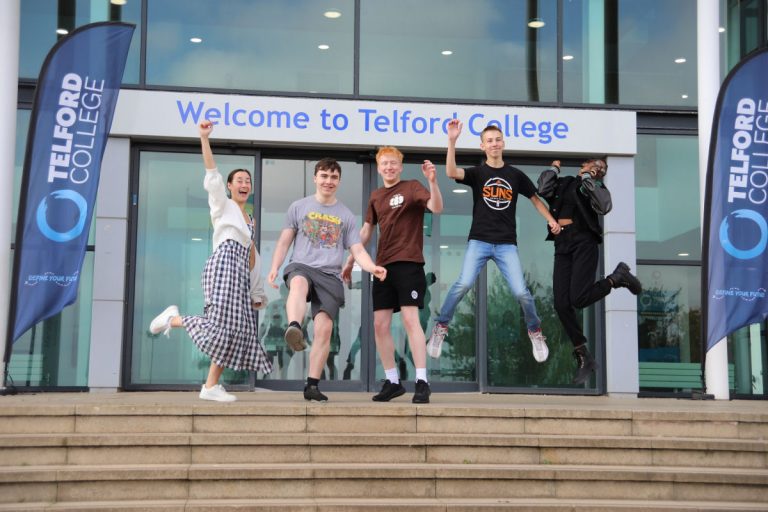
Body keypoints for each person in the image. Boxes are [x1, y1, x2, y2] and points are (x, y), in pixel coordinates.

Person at [148, 120, 272, 402]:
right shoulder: (223, 204)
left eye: (248, 181)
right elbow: (211, 174)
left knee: (237, 329)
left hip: (238, 270)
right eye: (239, 180)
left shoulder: (249, 220)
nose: (244, 184)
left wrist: (256, 291)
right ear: (229, 186)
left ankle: (210, 386)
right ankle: (173, 318)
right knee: (220, 327)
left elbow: (252, 257)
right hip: (223, 265)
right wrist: (204, 138)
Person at [427, 119, 561, 362]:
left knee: (521, 292)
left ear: (503, 143)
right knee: (463, 284)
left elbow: (535, 199)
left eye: (497, 139)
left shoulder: (515, 175)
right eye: (489, 141)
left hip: (506, 244)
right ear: (482, 146)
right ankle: (440, 328)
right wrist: (451, 140)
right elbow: (450, 172)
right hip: (479, 240)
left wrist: (551, 220)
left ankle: (535, 330)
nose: (494, 144)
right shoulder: (478, 173)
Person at [267, 158, 387, 402]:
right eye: (324, 176)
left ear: (339, 181)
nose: (328, 181)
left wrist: (372, 267)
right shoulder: (298, 207)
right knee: (298, 284)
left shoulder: (346, 216)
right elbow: (284, 241)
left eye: (333, 177)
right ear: (315, 178)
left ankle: (312, 384)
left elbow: (358, 250)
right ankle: (295, 326)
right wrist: (275, 267)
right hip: (302, 265)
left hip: (330, 275)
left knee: (324, 329)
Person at [343, 147, 443, 403]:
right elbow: (366, 232)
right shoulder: (376, 197)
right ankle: (393, 382)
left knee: (411, 320)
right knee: (379, 325)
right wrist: (351, 260)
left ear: (400, 166)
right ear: (378, 167)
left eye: (393, 163)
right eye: (384, 163)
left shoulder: (412, 187)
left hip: (409, 264)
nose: (388, 167)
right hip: (383, 267)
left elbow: (436, 207)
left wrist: (433, 182)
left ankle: (422, 381)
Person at [537, 159, 642, 384]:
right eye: (595, 164)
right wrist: (555, 167)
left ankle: (616, 278)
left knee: (579, 298)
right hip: (562, 242)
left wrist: (589, 179)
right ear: (583, 165)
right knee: (561, 304)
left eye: (602, 169)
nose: (598, 168)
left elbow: (604, 207)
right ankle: (584, 355)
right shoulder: (565, 182)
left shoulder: (596, 189)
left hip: (584, 241)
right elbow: (543, 188)